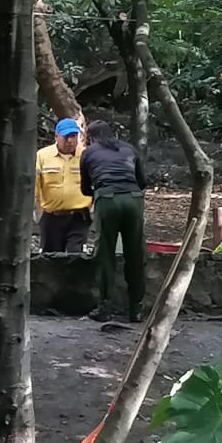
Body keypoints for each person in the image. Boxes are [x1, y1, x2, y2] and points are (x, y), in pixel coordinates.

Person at [80, 120, 148, 322]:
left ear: (90, 138)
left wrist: (101, 189)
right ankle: (136, 309)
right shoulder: (129, 149)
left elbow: (85, 189)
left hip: (107, 199)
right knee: (135, 254)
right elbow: (142, 181)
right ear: (113, 133)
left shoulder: (88, 153)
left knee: (105, 254)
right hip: (133, 200)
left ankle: (105, 308)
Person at [34, 118, 93, 254]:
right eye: (66, 137)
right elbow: (35, 185)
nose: (70, 141)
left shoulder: (86, 155)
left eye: (74, 136)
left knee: (75, 255)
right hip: (51, 217)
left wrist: (92, 210)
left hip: (79, 216)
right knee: (51, 257)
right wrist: (38, 212)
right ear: (56, 137)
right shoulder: (42, 156)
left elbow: (95, 182)